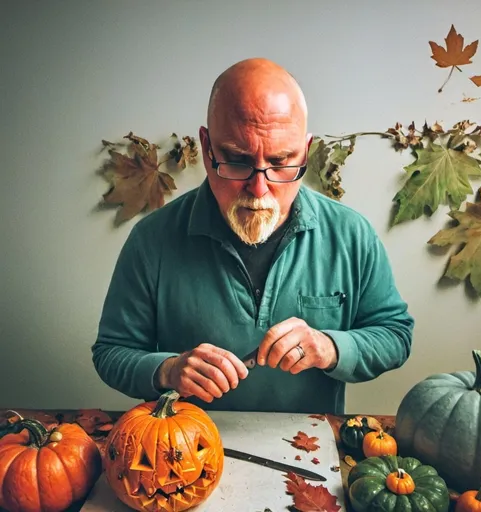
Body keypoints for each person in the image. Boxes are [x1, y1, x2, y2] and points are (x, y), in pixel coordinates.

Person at [92, 58, 414, 415]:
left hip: (311, 449)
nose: (259, 189)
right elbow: (111, 352)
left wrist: (329, 347)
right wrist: (168, 370)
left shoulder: (352, 235)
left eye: (280, 163)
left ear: (305, 152)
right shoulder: (152, 240)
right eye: (237, 160)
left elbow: (395, 336)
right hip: (185, 449)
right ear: (206, 146)